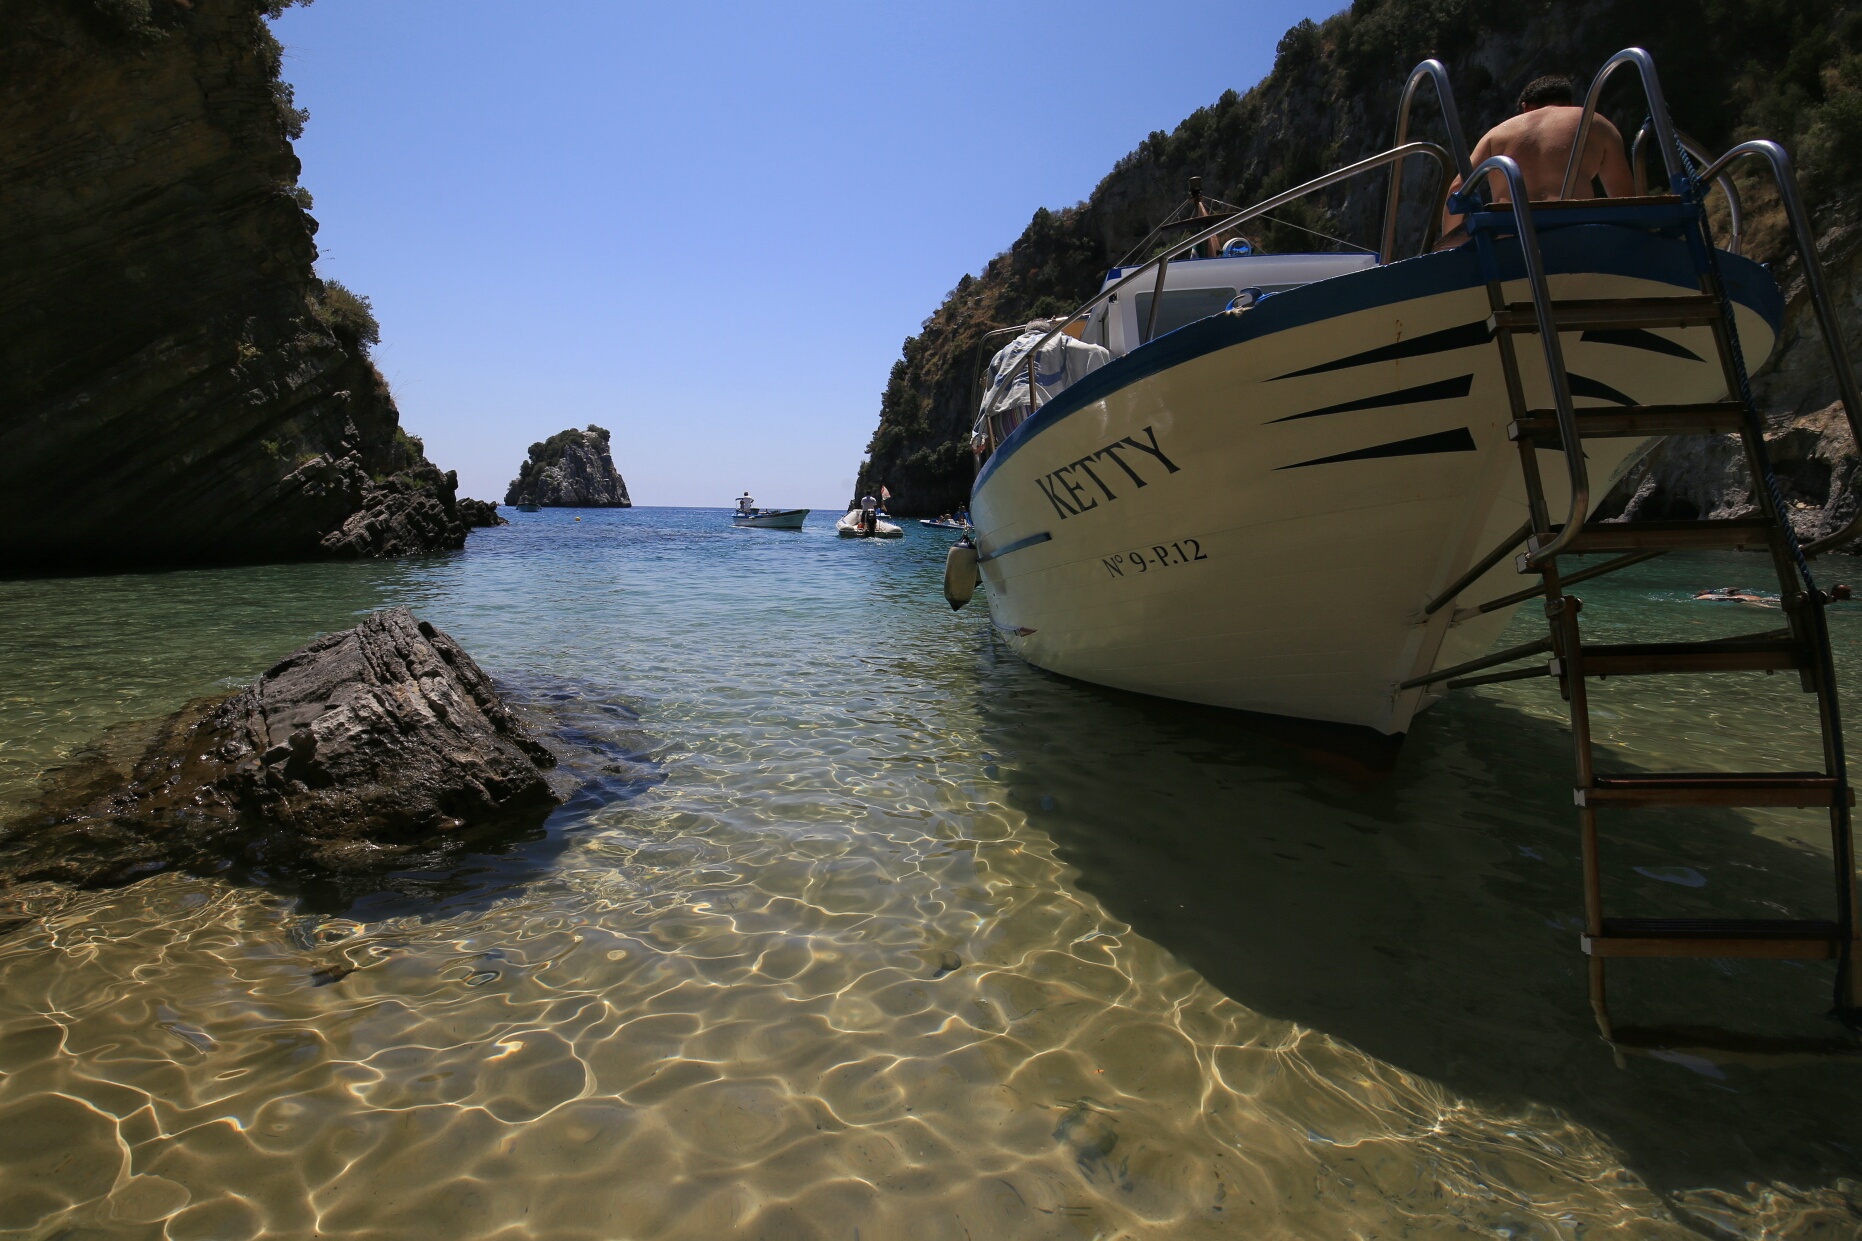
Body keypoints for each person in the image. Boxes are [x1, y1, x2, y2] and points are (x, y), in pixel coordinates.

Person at [1439, 74, 1635, 247]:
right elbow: (1627, 201)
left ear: (1525, 107)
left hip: (1512, 240)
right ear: (1569, 103)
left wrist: (1447, 247)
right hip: (1577, 235)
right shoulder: (1595, 123)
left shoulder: (1497, 134)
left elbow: (1457, 189)